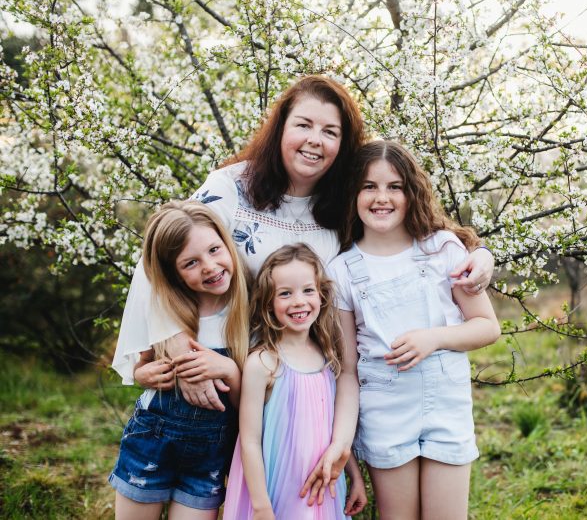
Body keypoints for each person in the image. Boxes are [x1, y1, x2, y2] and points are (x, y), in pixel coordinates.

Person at [111, 75, 495, 503]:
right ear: (281, 128)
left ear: (342, 145)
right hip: (220, 376)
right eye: (304, 125)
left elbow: (404, 233)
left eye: (330, 131)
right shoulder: (231, 188)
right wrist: (177, 353)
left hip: (299, 388)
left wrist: (478, 252)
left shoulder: (339, 209)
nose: (315, 140)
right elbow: (161, 257)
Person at [327, 140, 501, 519]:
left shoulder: (442, 250)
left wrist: (433, 338)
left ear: (411, 192)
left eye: (394, 187)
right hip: (385, 412)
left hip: (445, 409)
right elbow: (349, 369)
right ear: (353, 193)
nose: (381, 198)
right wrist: (343, 440)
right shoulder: (342, 270)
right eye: (369, 186)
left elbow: (487, 327)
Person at [109, 201, 250, 519]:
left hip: (209, 456)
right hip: (150, 441)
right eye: (191, 263)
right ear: (173, 273)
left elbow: (251, 402)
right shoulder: (166, 312)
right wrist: (145, 374)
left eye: (215, 250)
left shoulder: (243, 314)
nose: (210, 267)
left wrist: (229, 369)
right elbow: (141, 365)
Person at [222, 244, 367, 519]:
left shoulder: (328, 358)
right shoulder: (263, 363)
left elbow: (332, 432)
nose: (299, 301)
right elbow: (249, 442)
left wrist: (354, 474)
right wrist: (261, 506)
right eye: (285, 293)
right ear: (268, 303)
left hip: (322, 490)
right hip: (277, 490)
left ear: (322, 296)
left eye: (308, 290)